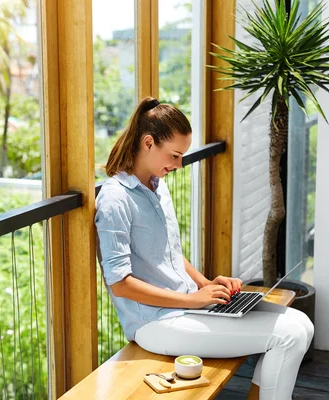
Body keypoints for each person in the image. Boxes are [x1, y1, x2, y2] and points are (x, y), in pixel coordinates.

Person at [94, 97, 313, 400]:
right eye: (174, 155)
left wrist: (207, 285)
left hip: (186, 307)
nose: (179, 164)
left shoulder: (157, 185)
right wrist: (195, 300)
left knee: (301, 324)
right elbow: (120, 285)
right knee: (286, 336)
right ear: (147, 143)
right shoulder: (115, 199)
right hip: (155, 324)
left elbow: (168, 251)